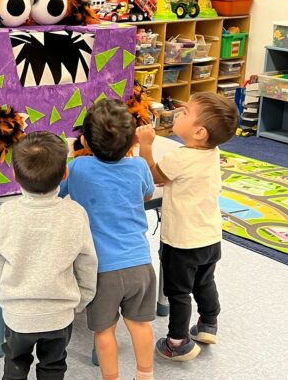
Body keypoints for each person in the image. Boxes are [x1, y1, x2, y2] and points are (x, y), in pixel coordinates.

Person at [136, 92, 239, 362]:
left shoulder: (180, 159)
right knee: (205, 281)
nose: (179, 111)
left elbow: (153, 178)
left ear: (199, 132)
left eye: (186, 112)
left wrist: (146, 145)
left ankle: (177, 342)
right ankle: (208, 324)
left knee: (178, 292)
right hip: (210, 236)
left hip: (182, 242)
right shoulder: (213, 153)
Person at [60, 99, 156, 380]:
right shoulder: (138, 167)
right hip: (140, 264)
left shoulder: (79, 169)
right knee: (140, 325)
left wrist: (70, 152)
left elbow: (59, 188)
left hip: (101, 270)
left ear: (85, 140)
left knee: (104, 331)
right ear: (132, 140)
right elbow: (147, 194)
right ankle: (145, 374)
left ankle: (111, 377)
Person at [0, 131, 98, 380]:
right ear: (65, 174)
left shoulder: (5, 213)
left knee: (15, 363)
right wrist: (81, 300)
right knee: (53, 366)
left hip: (17, 314)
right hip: (59, 315)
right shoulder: (75, 213)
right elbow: (87, 263)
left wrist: (7, 294)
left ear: (14, 175)